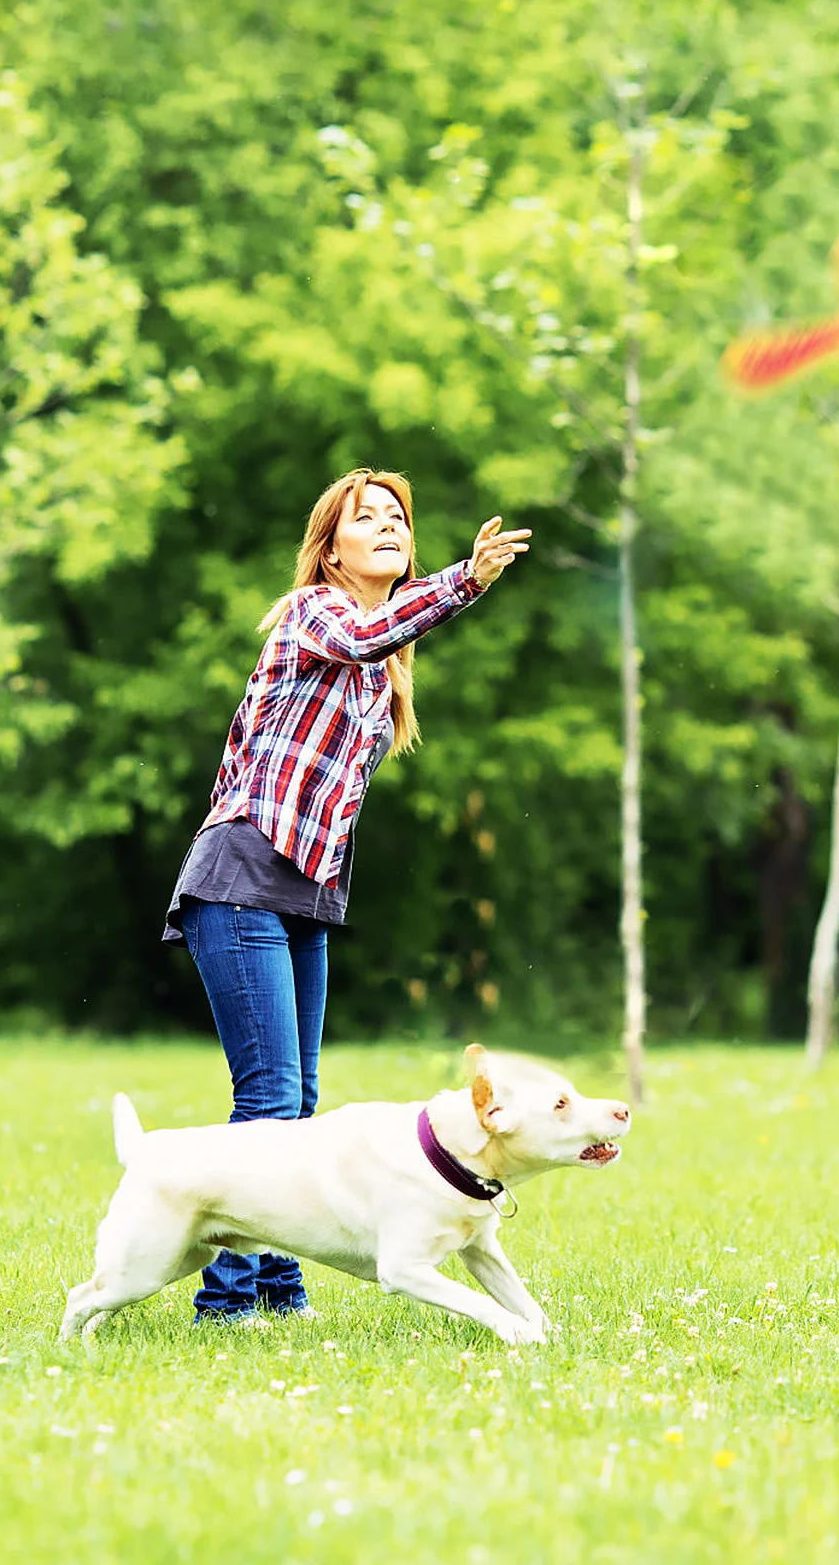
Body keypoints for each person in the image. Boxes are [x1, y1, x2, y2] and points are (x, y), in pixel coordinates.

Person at [163, 467, 529, 1325]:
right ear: (330, 552)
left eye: (399, 516)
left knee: (303, 1109)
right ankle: (227, 1301)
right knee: (268, 1100)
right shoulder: (313, 617)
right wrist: (466, 579)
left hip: (304, 891)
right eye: (367, 518)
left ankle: (280, 1287)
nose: (390, 526)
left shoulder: (381, 661)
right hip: (245, 875)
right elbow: (367, 638)